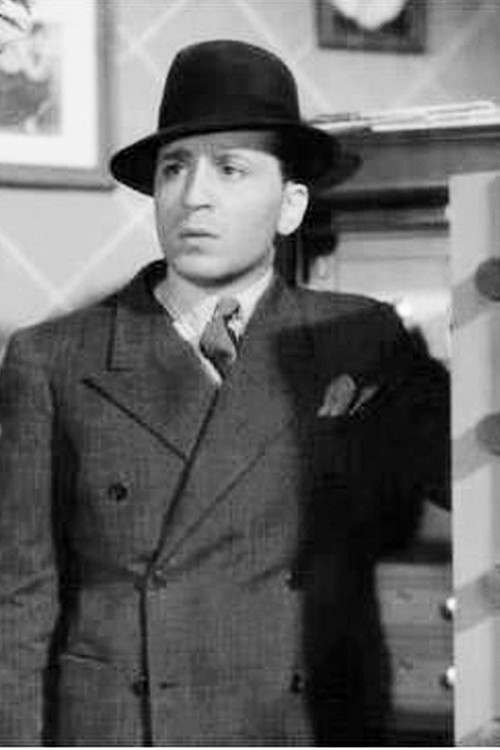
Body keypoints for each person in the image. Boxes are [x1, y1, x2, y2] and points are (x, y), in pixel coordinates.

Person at [0, 39, 449, 746]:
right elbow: (18, 604)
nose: (193, 196)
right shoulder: (51, 359)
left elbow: (466, 479)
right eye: (174, 168)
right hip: (125, 728)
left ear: (290, 205)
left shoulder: (364, 339)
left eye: (230, 168)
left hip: (302, 725)